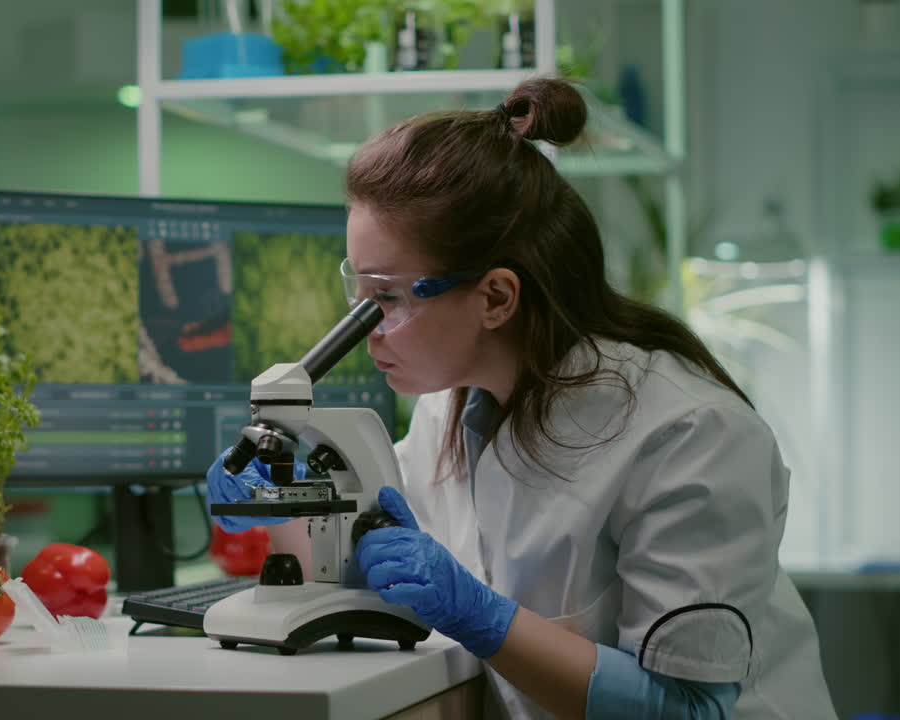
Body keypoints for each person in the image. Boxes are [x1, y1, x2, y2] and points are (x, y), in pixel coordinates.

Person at [206, 77, 837, 720]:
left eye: (388, 297)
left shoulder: (688, 434)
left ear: (497, 298)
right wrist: (275, 505)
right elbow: (375, 561)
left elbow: (688, 708)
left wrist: (481, 617)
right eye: (358, 290)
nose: (365, 324)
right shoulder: (451, 409)